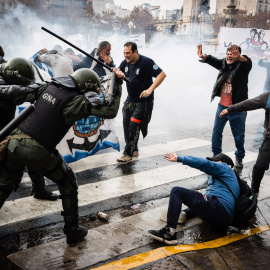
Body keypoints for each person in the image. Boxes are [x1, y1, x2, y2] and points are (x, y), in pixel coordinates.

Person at [0, 67, 124, 245]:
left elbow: (19, 93)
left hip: (13, 141)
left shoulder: (49, 86)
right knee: (68, 181)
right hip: (37, 149)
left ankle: (39, 190)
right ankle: (72, 230)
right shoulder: (76, 100)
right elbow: (109, 110)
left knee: (3, 186)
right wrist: (117, 84)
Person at [148, 152, 240, 245]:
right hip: (223, 221)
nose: (213, 163)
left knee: (177, 191)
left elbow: (205, 163)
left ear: (224, 163)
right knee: (200, 198)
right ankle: (184, 213)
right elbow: (202, 204)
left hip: (219, 209)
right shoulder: (229, 180)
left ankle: (169, 233)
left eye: (215, 162)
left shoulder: (225, 168)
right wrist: (186, 213)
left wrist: (180, 158)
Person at [0, 57, 58, 201]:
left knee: (28, 146)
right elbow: (14, 91)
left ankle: (39, 189)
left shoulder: (8, 68)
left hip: (7, 124)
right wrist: (45, 86)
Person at [198, 44, 252, 168]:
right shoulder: (223, 64)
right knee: (216, 131)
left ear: (238, 56)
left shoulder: (243, 66)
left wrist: (241, 57)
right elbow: (213, 60)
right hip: (222, 106)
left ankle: (239, 157)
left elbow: (247, 61)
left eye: (232, 54)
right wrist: (203, 56)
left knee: (238, 135)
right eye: (228, 54)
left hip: (237, 108)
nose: (229, 56)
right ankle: (216, 156)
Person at [116, 42, 166, 164]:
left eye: (128, 53)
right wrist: (118, 75)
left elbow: (162, 74)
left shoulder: (146, 62)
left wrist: (150, 89)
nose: (126, 56)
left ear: (135, 52)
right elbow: (119, 76)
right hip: (130, 100)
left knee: (134, 126)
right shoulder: (125, 63)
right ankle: (134, 148)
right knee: (126, 125)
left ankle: (127, 154)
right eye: (124, 53)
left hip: (143, 102)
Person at [219, 91, 270, 196]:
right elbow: (248, 103)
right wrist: (230, 109)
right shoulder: (267, 97)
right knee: (260, 165)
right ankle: (254, 191)